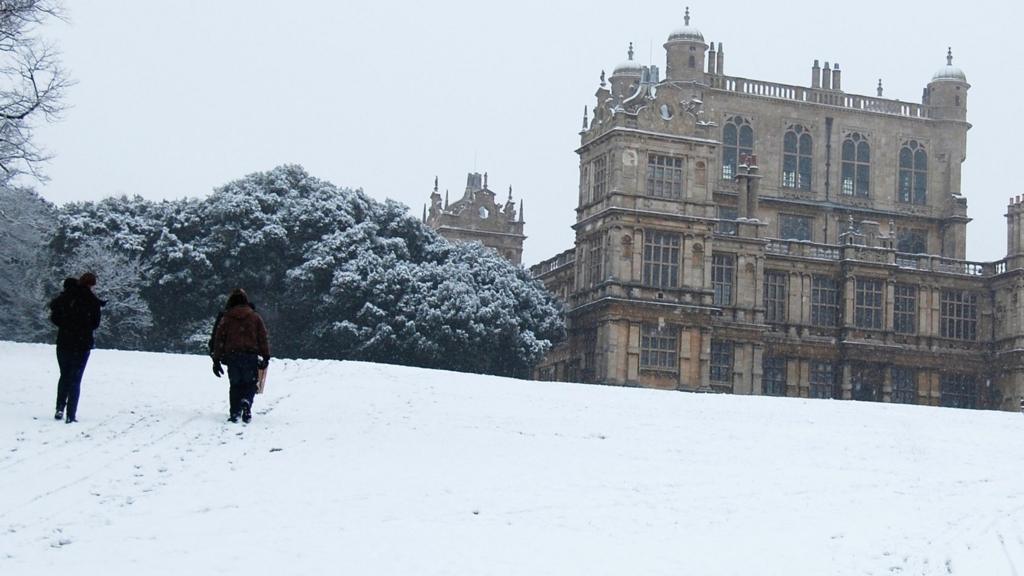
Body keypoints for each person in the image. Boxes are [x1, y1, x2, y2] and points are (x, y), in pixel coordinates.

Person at [48, 272, 103, 423]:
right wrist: (83, 327)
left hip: (64, 341)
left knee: (64, 375)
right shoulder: (92, 301)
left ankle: (59, 407)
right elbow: (95, 323)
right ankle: (71, 414)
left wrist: (66, 325)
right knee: (75, 378)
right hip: (82, 343)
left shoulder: (65, 297)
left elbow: (54, 316)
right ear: (91, 285)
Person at [211, 288, 270, 423]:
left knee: (235, 384)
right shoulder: (255, 317)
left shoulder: (227, 318)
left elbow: (219, 338)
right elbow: (262, 337)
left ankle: (234, 412)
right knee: (250, 383)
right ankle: (246, 401)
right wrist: (266, 356)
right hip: (250, 356)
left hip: (232, 356)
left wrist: (216, 359)